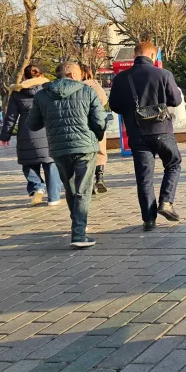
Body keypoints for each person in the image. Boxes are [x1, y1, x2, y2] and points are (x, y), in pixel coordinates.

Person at [27, 62, 106, 248]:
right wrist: (97, 135)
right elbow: (99, 121)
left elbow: (33, 124)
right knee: (83, 190)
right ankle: (78, 234)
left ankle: (77, 225)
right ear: (71, 74)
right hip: (85, 147)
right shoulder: (87, 91)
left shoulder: (42, 95)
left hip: (59, 148)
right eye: (78, 74)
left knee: (70, 189)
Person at [109, 41, 184, 231]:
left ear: (135, 56)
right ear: (152, 56)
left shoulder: (120, 78)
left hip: (136, 133)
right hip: (161, 130)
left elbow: (114, 106)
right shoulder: (163, 74)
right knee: (173, 164)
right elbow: (175, 100)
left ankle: (148, 220)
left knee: (144, 177)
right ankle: (166, 202)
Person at [0, 65, 61, 206]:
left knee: (29, 163)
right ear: (41, 75)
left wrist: (4, 136)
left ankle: (37, 187)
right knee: (50, 163)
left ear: (25, 77)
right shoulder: (49, 89)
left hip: (27, 131)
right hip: (48, 130)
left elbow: (11, 117)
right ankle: (54, 197)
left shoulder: (17, 93)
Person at [81, 67, 110, 194]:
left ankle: (90, 182)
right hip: (98, 122)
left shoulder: (77, 88)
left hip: (82, 123)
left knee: (85, 154)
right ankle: (100, 177)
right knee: (100, 151)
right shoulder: (96, 86)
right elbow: (104, 100)